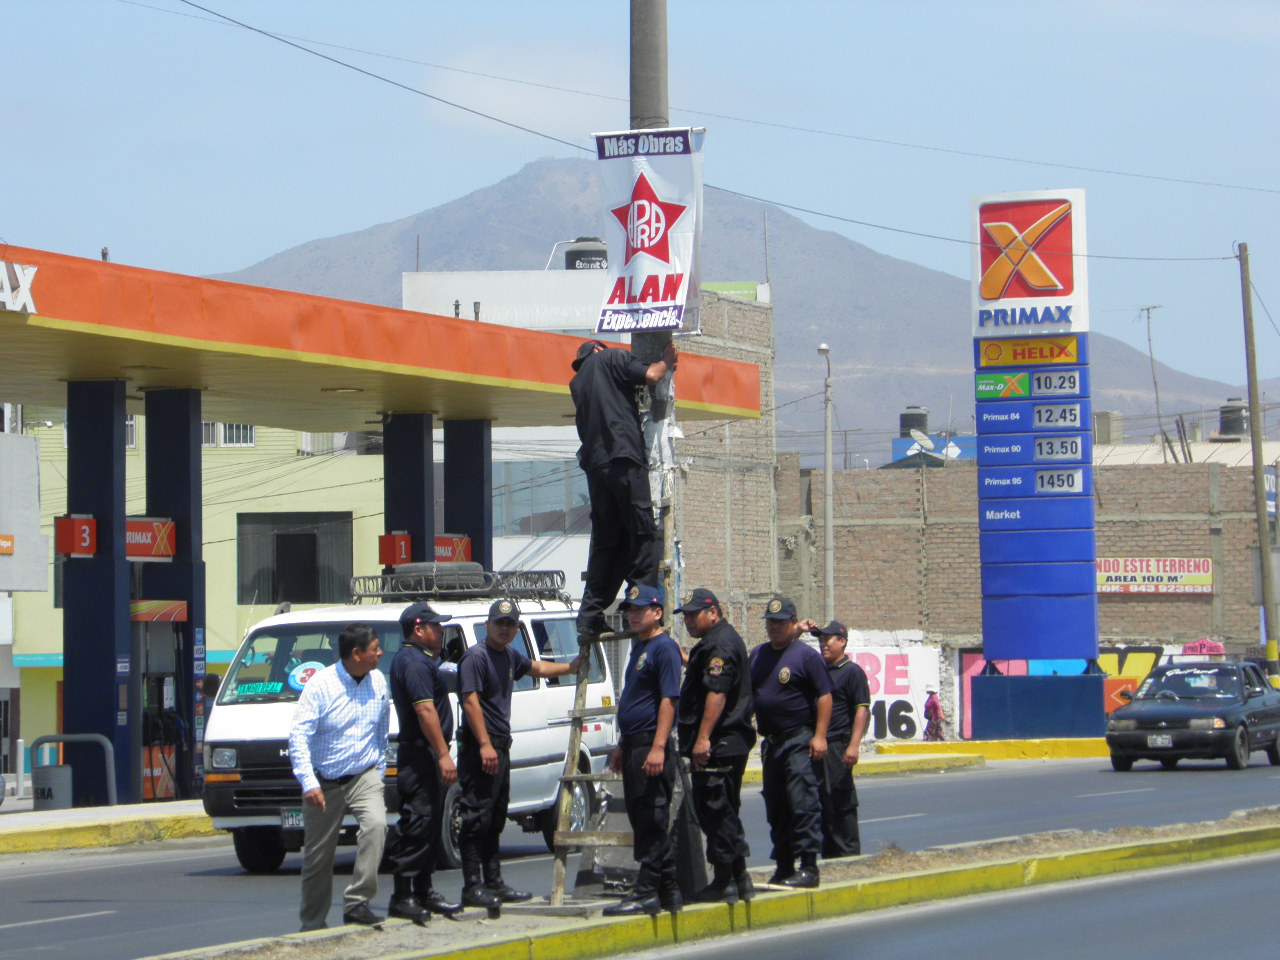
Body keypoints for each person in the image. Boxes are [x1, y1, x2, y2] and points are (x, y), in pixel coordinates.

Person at [457, 598, 581, 908]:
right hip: (480, 747)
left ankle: (494, 882)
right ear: (487, 625)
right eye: (500, 623)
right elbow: (470, 701)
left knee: (496, 817)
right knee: (476, 818)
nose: (505, 629)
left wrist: (569, 667)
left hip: (501, 746)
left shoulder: (510, 655)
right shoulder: (476, 657)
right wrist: (485, 744)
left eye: (511, 624)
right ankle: (472, 886)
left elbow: (536, 667)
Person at [569, 338, 678, 640]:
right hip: (624, 457)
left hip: (596, 468)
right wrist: (667, 359)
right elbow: (653, 375)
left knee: (608, 543)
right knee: (643, 533)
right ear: (598, 349)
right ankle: (638, 607)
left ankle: (590, 615)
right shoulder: (611, 358)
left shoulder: (577, 383)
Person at [288, 623, 390, 931]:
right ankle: (312, 924)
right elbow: (298, 736)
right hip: (325, 779)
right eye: (375, 648)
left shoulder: (378, 681)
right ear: (356, 654)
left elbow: (381, 730)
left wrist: (379, 773)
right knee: (318, 858)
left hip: (364, 774)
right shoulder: (321, 685)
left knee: (377, 826)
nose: (381, 653)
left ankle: (357, 903)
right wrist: (309, 782)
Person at [603, 584, 684, 917]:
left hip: (652, 743)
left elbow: (668, 700)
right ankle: (668, 890)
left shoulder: (663, 648)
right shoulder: (640, 648)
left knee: (651, 817)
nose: (633, 615)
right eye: (630, 610)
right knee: (642, 816)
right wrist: (623, 744)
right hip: (635, 744)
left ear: (657, 612)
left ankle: (647, 890)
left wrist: (658, 747)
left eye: (639, 609)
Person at [674, 587, 756, 903]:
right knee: (721, 810)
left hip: (719, 744)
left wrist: (703, 738)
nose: (690, 621)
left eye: (695, 615)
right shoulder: (713, 644)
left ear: (713, 612)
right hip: (725, 743)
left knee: (715, 810)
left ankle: (732, 879)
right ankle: (735, 878)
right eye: (686, 617)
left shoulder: (720, 644)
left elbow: (717, 693)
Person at [385, 602, 463, 924]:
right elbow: (425, 711)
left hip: (427, 753)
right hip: (420, 754)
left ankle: (424, 890)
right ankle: (403, 896)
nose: (441, 631)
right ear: (419, 629)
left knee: (430, 824)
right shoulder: (414, 663)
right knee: (417, 824)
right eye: (436, 626)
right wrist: (443, 754)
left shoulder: (423, 660)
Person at [749, 598, 832, 889]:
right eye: (771, 622)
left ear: (793, 622)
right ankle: (784, 866)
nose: (774, 627)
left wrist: (820, 735)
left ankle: (809, 867)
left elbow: (824, 696)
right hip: (771, 744)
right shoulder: (758, 655)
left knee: (803, 802)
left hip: (798, 739)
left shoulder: (805, 656)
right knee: (776, 805)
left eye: (781, 622)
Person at [811, 620, 870, 858]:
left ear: (842, 641)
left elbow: (861, 709)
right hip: (819, 745)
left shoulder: (851, 671)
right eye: (820, 639)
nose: (823, 644)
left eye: (828, 639)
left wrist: (854, 745)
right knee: (821, 802)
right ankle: (829, 856)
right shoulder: (818, 670)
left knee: (840, 801)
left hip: (838, 745)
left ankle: (849, 855)